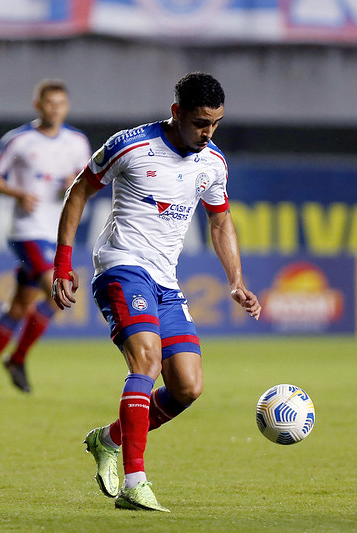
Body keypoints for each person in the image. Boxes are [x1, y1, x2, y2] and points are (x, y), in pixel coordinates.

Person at [52, 72, 262, 512]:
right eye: (201, 123)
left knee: (187, 387)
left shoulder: (213, 162)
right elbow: (78, 193)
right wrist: (62, 264)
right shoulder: (130, 145)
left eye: (216, 124)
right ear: (176, 113)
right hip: (120, 267)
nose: (208, 133)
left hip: (166, 280)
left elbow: (220, 221)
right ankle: (134, 482)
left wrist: (236, 280)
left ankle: (108, 439)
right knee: (146, 360)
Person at [0, 79, 91, 397]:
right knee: (57, 291)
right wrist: (16, 192)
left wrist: (73, 185)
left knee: (18, 308)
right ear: (38, 105)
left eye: (60, 103)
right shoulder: (18, 140)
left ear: (67, 106)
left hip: (56, 231)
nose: (55, 109)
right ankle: (17, 360)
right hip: (26, 231)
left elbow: (87, 182)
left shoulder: (77, 142)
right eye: (49, 103)